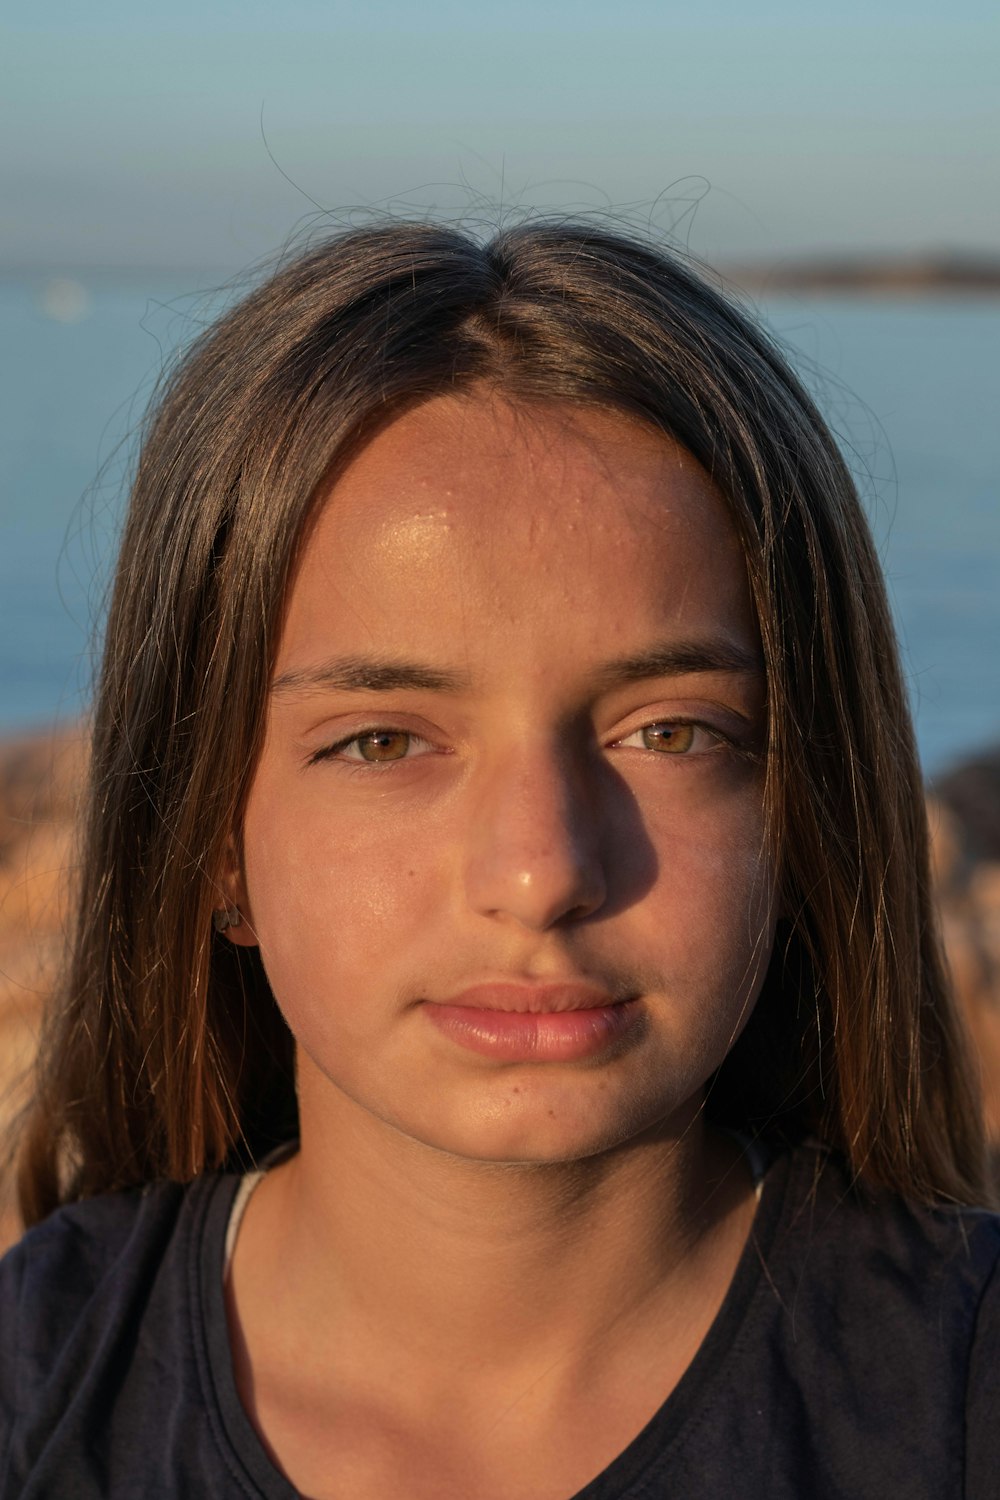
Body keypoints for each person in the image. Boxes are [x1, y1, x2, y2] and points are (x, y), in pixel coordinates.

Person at [2, 220, 998, 1499]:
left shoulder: (955, 1398)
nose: (539, 875)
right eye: (381, 741)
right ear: (210, 841)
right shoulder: (47, 1378)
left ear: (804, 808)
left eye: (670, 731)